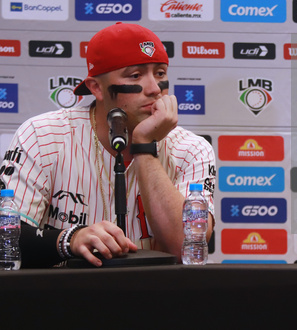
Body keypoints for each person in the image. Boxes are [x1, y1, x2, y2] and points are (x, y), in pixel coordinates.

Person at [0, 22, 216, 267]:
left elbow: (185, 248)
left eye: (160, 73)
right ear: (96, 88)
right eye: (135, 75)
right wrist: (70, 239)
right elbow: (6, 237)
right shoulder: (43, 135)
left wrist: (144, 145)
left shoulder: (192, 149)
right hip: (62, 297)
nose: (155, 89)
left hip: (155, 297)